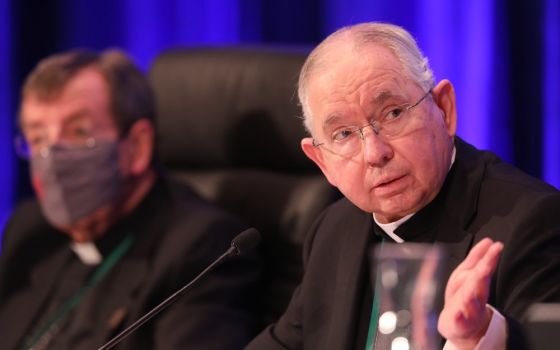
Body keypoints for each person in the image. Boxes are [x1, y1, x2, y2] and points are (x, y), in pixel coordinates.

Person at [246, 22, 560, 350]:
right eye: (344, 134)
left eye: (393, 113)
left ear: (444, 109)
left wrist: (481, 336)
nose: (375, 153)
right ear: (322, 163)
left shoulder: (533, 223)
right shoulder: (333, 230)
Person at [0, 49, 261, 350]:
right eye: (38, 139)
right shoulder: (29, 229)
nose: (52, 158)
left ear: (137, 146)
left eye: (78, 132)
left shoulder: (201, 247)